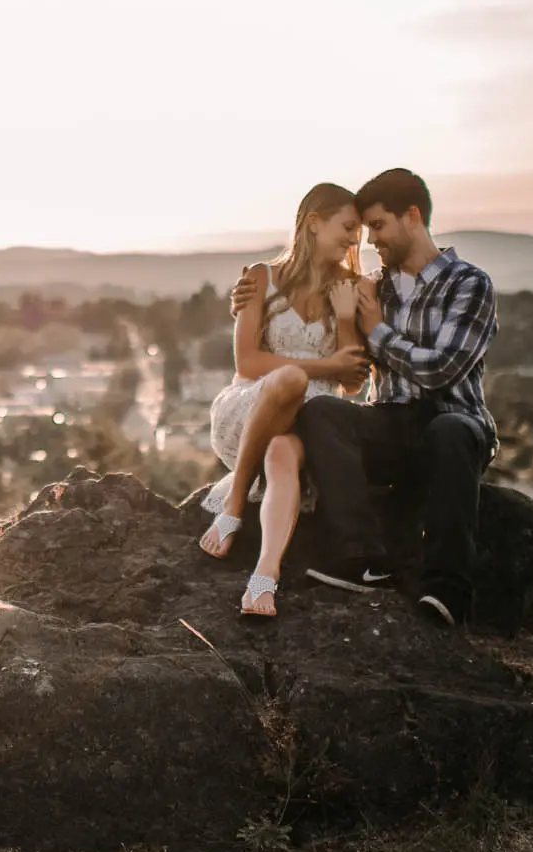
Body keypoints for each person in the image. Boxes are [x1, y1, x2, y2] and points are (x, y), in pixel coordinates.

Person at [229, 168, 498, 628]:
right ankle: (361, 560)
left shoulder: (468, 284)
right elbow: (311, 292)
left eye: (377, 226)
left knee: (450, 430)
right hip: (393, 422)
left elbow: (440, 370)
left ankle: (446, 590)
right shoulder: (374, 286)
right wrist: (247, 294)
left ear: (412, 216)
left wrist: (378, 329)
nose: (369, 241)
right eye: (363, 229)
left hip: (454, 421)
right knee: (322, 412)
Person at [198, 182, 374, 617]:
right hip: (254, 404)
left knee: (281, 455)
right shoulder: (261, 278)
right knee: (289, 380)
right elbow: (248, 361)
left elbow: (351, 381)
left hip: (309, 423)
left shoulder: (351, 288)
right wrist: (324, 367)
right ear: (313, 222)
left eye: (360, 233)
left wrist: (348, 318)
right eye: (348, 227)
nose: (355, 240)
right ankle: (236, 502)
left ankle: (263, 580)